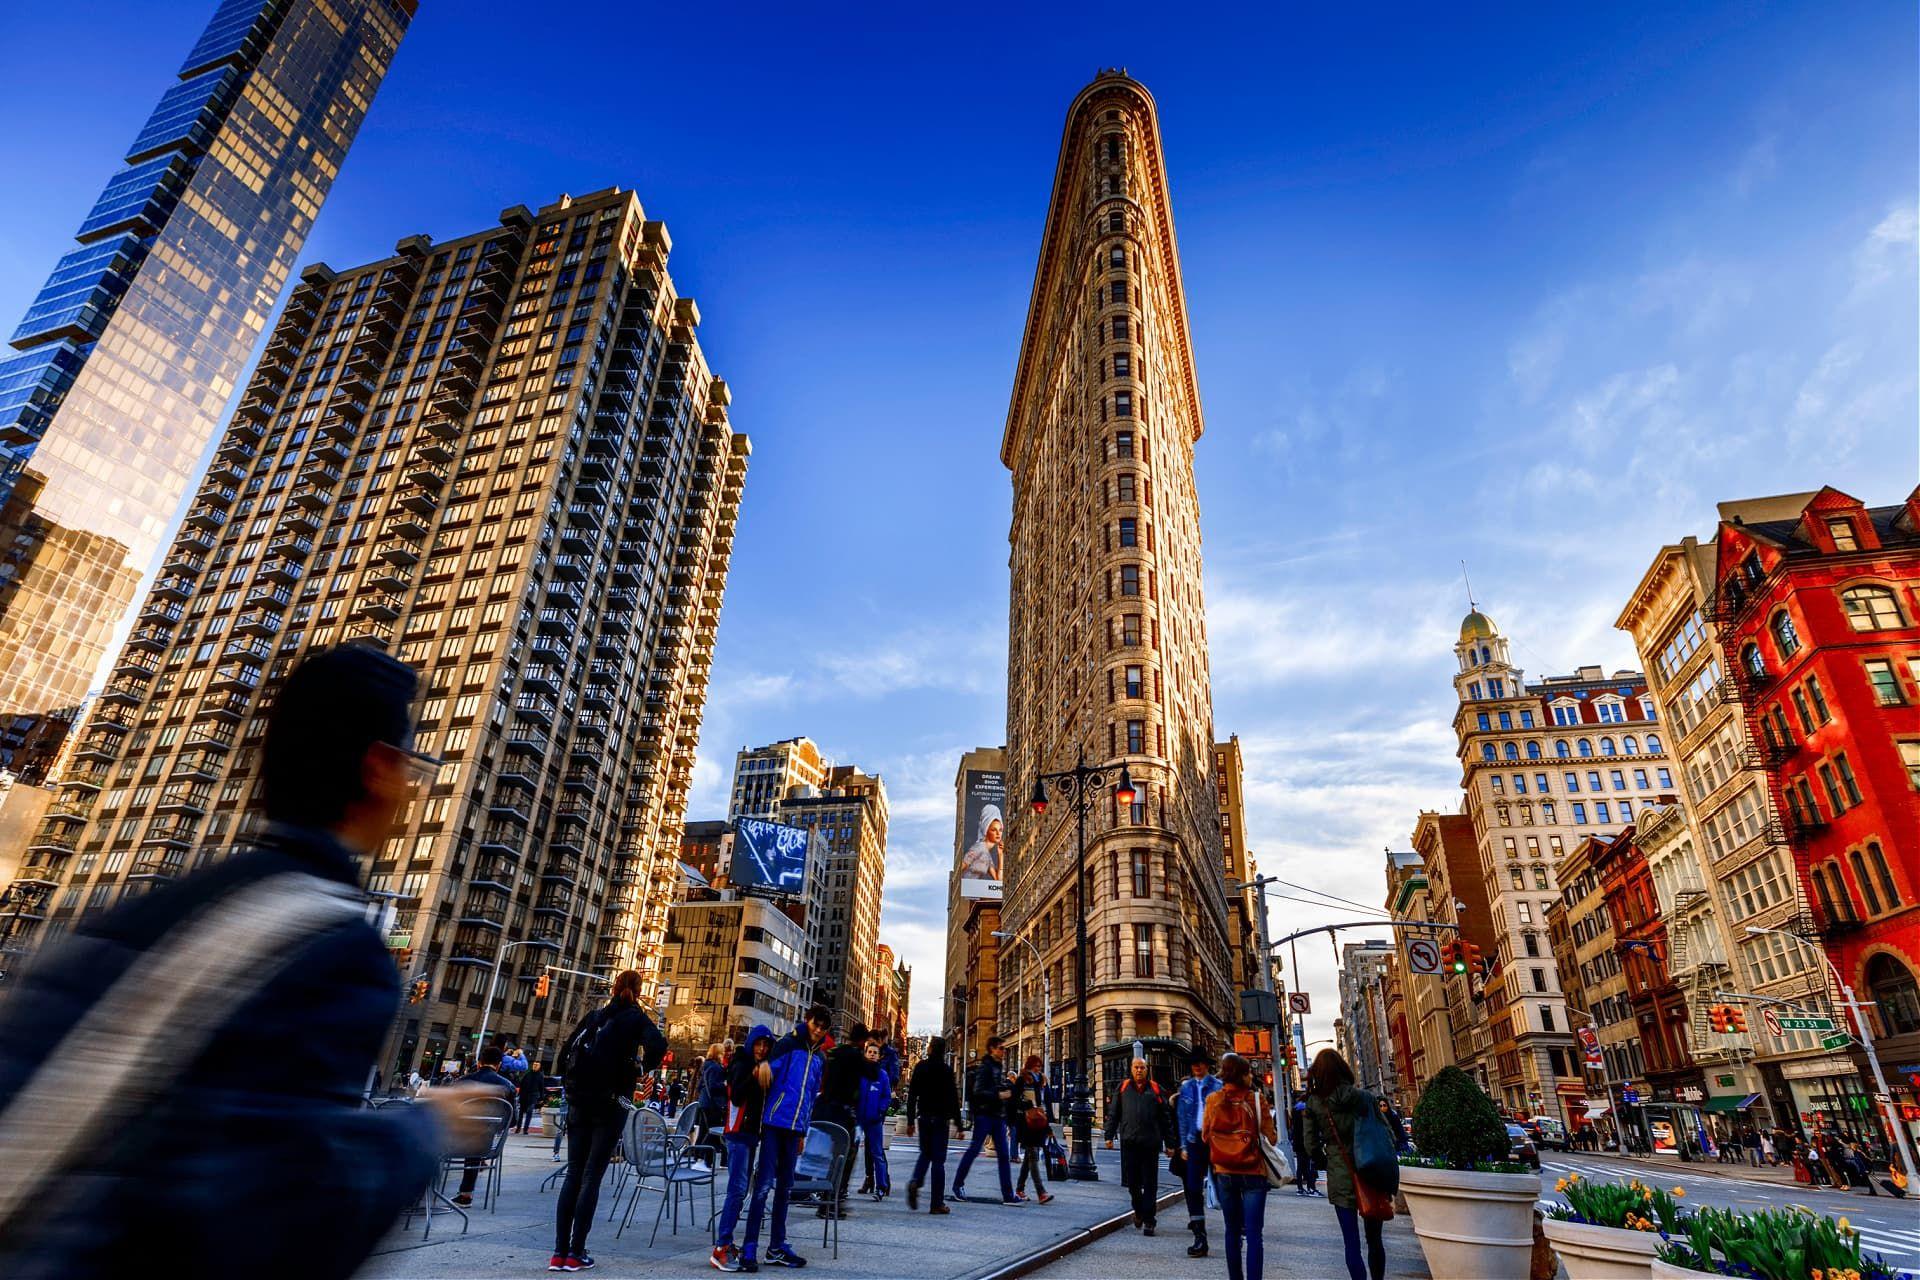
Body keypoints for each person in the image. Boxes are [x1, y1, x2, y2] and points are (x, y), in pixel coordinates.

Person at [0, 643, 485, 1279]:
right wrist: (424, 1132)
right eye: (413, 768)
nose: (413, 791)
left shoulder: (153, 910)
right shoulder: (333, 945)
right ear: (377, 768)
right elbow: (278, 1216)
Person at [551, 968, 668, 1273]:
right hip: (610, 1104)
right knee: (592, 1177)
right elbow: (658, 1045)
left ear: (614, 988)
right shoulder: (636, 1018)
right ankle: (577, 1251)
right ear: (639, 992)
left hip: (579, 1104)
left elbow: (564, 1055)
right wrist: (641, 1067)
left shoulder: (594, 1018)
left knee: (573, 1175)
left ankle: (559, 1253)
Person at [743, 1005, 831, 1270]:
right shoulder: (788, 1044)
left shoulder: (820, 1059)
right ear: (808, 1021)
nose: (818, 1030)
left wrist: (803, 1131)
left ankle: (777, 1246)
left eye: (823, 1027)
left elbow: (811, 1096)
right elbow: (765, 1069)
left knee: (785, 1189)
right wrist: (762, 1068)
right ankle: (749, 1248)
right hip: (774, 1125)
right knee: (762, 1188)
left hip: (794, 1131)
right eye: (816, 1024)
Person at [1304, 1048, 1387, 1280]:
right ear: (1343, 1069)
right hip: (1370, 1169)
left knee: (1351, 1244)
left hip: (1341, 1173)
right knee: (1375, 1240)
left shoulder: (1314, 1103)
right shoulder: (1365, 1097)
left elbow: (1310, 1145)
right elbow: (1385, 1134)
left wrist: (1326, 1159)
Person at [1203, 1053, 1280, 1280]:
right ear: (1243, 1075)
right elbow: (1272, 1138)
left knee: (1232, 1231)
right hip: (1253, 1171)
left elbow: (1205, 1136)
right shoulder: (1257, 1100)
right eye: (1249, 1072)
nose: (1252, 1076)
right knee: (1255, 1235)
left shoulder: (1213, 1100)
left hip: (1224, 1171)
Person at [710, 1025, 774, 1273]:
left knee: (741, 1189)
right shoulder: (742, 1063)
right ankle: (721, 1246)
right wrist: (755, 1074)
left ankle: (726, 1243)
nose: (761, 1049)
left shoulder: (760, 1065)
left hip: (748, 1136)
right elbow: (736, 1096)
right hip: (737, 1134)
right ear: (751, 1044)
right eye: (758, 1044)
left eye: (765, 1045)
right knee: (737, 1190)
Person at [1106, 1056, 1174, 1235]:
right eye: (1136, 1067)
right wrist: (1109, 1135)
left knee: (1151, 1183)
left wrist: (1170, 1143)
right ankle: (1138, 1209)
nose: (1139, 1070)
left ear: (1147, 1069)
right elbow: (1114, 1114)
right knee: (1133, 1183)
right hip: (1130, 1142)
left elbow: (1165, 1118)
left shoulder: (1156, 1089)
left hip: (1151, 1143)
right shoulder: (1123, 1088)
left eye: (1142, 1067)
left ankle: (1149, 1220)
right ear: (1131, 1069)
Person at [815, 1021, 875, 1217]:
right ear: (863, 1041)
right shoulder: (855, 1055)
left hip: (827, 1111)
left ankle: (825, 1201)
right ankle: (832, 1202)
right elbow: (872, 1073)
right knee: (844, 1159)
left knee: (831, 1158)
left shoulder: (835, 1052)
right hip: (843, 1114)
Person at [953, 1034, 1020, 1204]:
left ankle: (1008, 1194)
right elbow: (978, 1091)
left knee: (1004, 1155)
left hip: (997, 1115)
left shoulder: (998, 1066)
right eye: (1001, 1048)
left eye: (1004, 1048)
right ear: (992, 1049)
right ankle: (957, 1185)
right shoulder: (985, 1067)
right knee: (974, 1150)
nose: (1003, 1051)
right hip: (984, 1115)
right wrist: (998, 1094)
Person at [905, 1036, 966, 1214]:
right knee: (938, 1161)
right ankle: (936, 1203)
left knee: (925, 1153)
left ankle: (916, 1180)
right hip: (941, 1120)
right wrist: (960, 1126)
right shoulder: (946, 1071)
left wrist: (910, 1121)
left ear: (931, 1049)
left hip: (924, 1117)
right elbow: (954, 1100)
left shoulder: (921, 1067)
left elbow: (912, 1096)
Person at [452, 1044, 517, 1207]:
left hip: (452, 1142)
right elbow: (512, 1120)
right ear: (499, 1065)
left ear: (479, 1062)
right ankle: (466, 1194)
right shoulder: (507, 1086)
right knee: (479, 1137)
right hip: (486, 1146)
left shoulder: (462, 1082)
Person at [1175, 1047, 1223, 1257]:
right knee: (1193, 1189)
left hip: (1215, 1143)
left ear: (1206, 1065)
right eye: (1193, 1063)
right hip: (1195, 1143)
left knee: (1223, 1188)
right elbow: (1182, 1118)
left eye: (1200, 1062)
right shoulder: (1186, 1088)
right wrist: (1184, 1146)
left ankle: (1236, 1228)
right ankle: (1199, 1236)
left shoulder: (1218, 1086)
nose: (1196, 1066)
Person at [855, 1037, 896, 1200]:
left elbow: (886, 1096)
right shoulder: (859, 1073)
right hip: (858, 1119)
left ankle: (881, 1186)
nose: (872, 1055)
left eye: (875, 1053)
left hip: (874, 1120)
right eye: (870, 1052)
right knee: (850, 1150)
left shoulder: (882, 1075)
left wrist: (880, 1111)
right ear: (865, 1054)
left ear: (879, 1056)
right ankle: (841, 1186)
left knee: (877, 1153)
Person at [1010, 1055, 1054, 1204]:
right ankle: (1041, 1192)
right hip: (1026, 1123)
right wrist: (1027, 1104)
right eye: (1035, 1066)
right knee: (1033, 1155)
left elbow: (1045, 1103)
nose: (1038, 1068)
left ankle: (1019, 1189)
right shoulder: (1022, 1080)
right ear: (1029, 1066)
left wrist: (1049, 1126)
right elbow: (1015, 1100)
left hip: (1039, 1123)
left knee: (1029, 1158)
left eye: (1040, 1066)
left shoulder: (1042, 1081)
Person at [698, 1042, 730, 1153]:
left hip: (705, 1103)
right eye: (723, 1052)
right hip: (713, 1104)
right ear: (718, 1054)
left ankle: (698, 1153)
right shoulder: (715, 1067)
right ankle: (704, 1155)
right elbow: (713, 1086)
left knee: (704, 1130)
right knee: (712, 1131)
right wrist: (724, 1084)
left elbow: (699, 1086)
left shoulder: (706, 1066)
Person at [1290, 1096, 1320, 1196]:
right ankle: (1311, 1187)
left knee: (1301, 1166)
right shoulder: (1305, 1113)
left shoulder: (1295, 1112)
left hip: (1298, 1143)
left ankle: (1300, 1188)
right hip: (1305, 1143)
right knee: (1309, 1165)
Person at [516, 1060, 548, 1134]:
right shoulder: (527, 1074)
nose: (535, 1066)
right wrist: (520, 1095)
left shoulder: (540, 1076)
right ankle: (518, 1128)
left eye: (537, 1065)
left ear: (539, 1066)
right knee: (521, 1113)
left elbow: (541, 1087)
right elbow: (522, 1084)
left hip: (533, 1096)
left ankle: (525, 1129)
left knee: (529, 1111)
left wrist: (541, 1098)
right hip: (524, 1096)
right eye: (534, 1064)